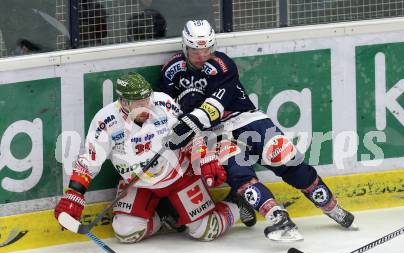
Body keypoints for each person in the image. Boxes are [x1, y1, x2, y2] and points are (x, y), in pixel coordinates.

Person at [159, 20, 357, 242]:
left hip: (247, 119)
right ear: (186, 47)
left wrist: (189, 121)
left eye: (207, 49)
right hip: (214, 135)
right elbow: (163, 107)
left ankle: (331, 206)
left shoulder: (223, 65)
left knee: (287, 160)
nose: (202, 55)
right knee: (240, 177)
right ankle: (279, 219)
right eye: (196, 50)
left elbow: (213, 108)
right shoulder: (171, 71)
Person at [54, 72, 255, 243]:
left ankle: (237, 204)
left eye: (147, 99)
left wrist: (204, 157)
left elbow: (189, 134)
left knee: (205, 230)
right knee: (127, 232)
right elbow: (89, 160)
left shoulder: (164, 104)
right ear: (123, 102)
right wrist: (75, 193)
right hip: (138, 183)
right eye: (138, 103)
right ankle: (168, 214)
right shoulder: (106, 121)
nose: (146, 106)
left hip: (179, 177)